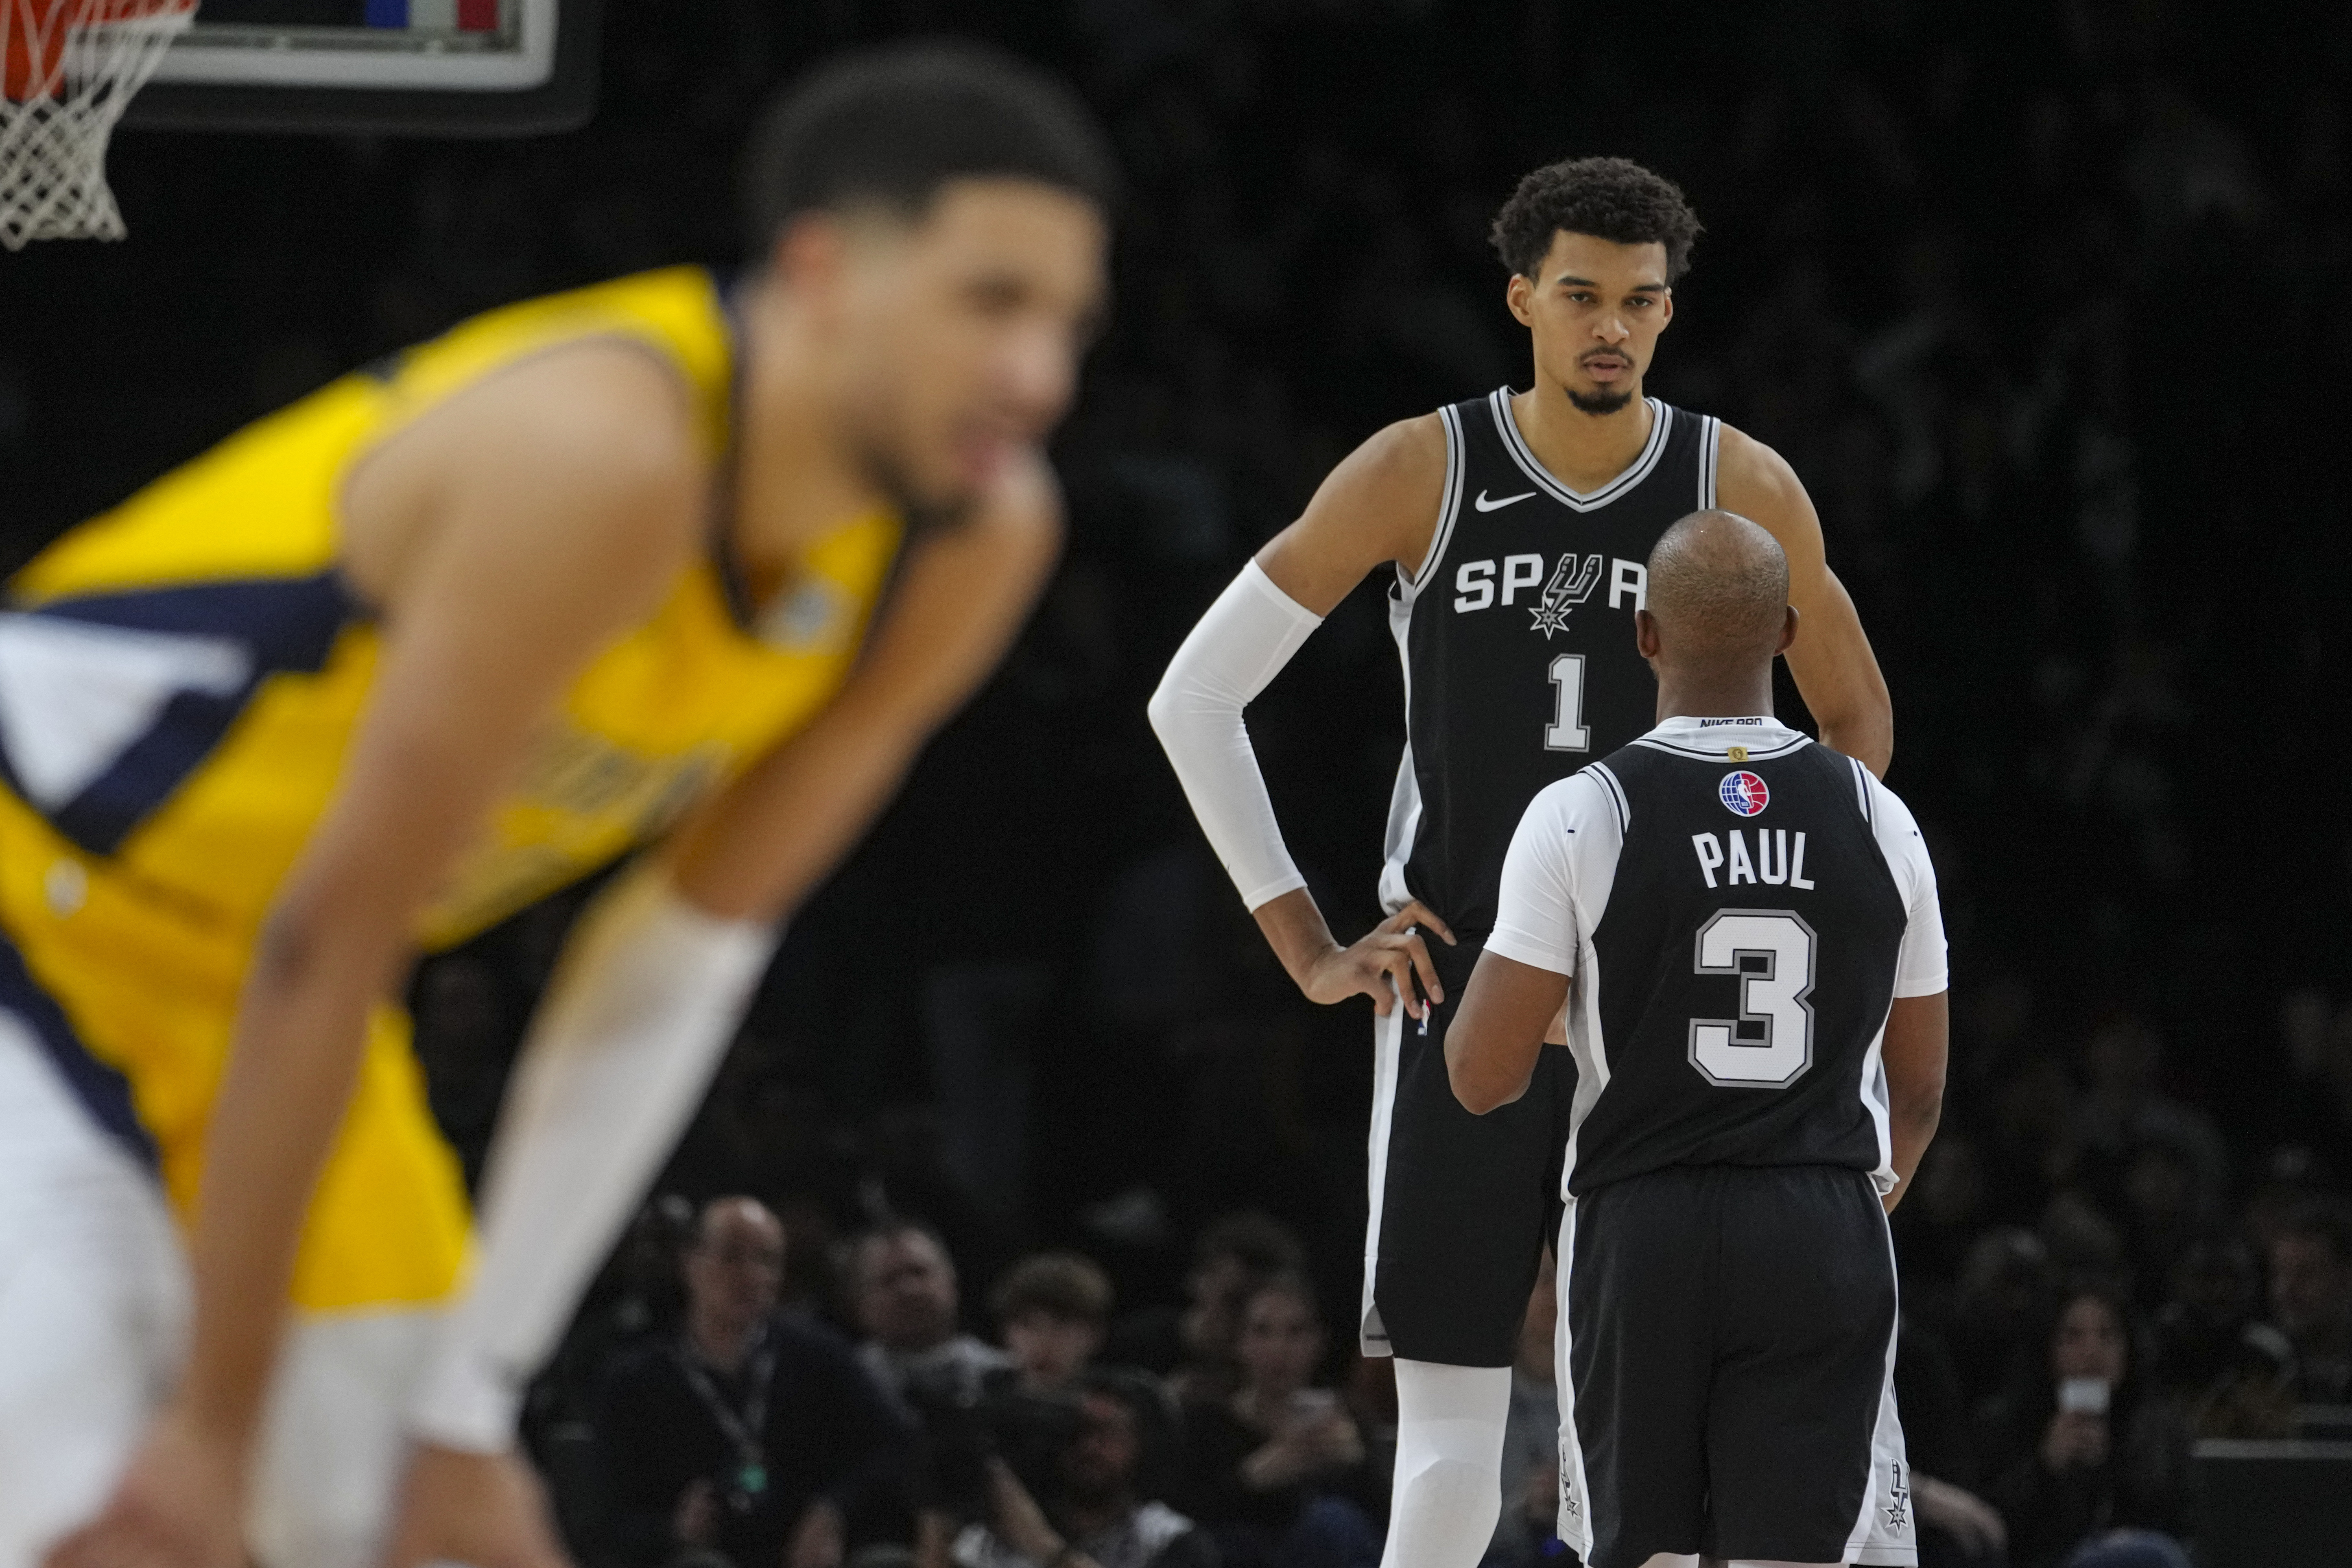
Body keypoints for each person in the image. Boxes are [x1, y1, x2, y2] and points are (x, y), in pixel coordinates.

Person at [17, 41, 1115, 1568]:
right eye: (988, 302)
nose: (1038, 374)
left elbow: (671, 966)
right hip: (41, 899)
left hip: (247, 979)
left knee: (417, 1528)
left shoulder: (970, 540)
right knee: (113, 1521)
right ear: (820, 274)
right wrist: (210, 1429)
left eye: (1068, 322)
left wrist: (463, 1412)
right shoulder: (603, 454)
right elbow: (330, 938)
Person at [1148, 155, 1893, 1568]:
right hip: (1463, 980)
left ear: (1669, 314)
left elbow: (1856, 723)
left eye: (1639, 301)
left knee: (1672, 1437)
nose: (1609, 326)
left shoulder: (1736, 482)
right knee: (1448, 1435)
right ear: (1520, 300)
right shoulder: (1421, 467)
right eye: (1579, 297)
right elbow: (1191, 698)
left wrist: (1781, 882)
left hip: (1671, 1007)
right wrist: (1307, 942)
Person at [1444, 510, 1946, 1568]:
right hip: (1819, 1214)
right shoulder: (1878, 813)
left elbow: (1478, 1074)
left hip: (1645, 1219)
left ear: (1643, 635)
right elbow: (1922, 1084)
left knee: (1645, 1554)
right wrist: (1863, 1186)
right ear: (1787, 632)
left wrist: (1591, 1002)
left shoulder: (1583, 810)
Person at [596, 1198, 912, 1568]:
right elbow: (606, 1516)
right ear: (690, 1263)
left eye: (767, 1261)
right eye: (731, 1256)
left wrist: (833, 1510)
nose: (750, 1275)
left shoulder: (819, 1354)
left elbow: (895, 1444)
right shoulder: (635, 1381)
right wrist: (672, 1529)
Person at [1179, 1275, 1381, 1568]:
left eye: (1296, 1332)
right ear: (1239, 1342)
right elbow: (1178, 1515)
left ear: (1319, 1341)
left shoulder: (1345, 1419)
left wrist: (1358, 1466)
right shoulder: (1206, 1420)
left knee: (1333, 1521)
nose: (1280, 1348)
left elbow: (1389, 1519)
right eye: (1262, 1332)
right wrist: (1252, 1477)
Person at [1977, 1288, 2184, 1568]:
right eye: (2073, 1336)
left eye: (2108, 1336)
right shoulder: (2007, 1420)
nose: (2091, 1351)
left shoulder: (2155, 1423)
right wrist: (2046, 1465)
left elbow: (2177, 1521)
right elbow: (1987, 1525)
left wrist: (2112, 1467)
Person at [936, 1371, 1215, 1568]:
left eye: (1107, 1433)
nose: (1089, 1447)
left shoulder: (1166, 1540)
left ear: (1145, 1445)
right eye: (1077, 1430)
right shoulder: (995, 1536)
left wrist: (1047, 1550)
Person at [991, 1252, 1116, 1395]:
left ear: (1095, 1334)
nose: (1043, 1341)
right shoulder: (976, 1395)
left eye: (1061, 1325)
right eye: (1028, 1325)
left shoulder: (1124, 1403)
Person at [2266, 1200, 2352, 1406]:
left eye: (2305, 1274)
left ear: (2346, 1277)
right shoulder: (2259, 1365)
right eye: (2280, 1273)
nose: (2285, 1290)